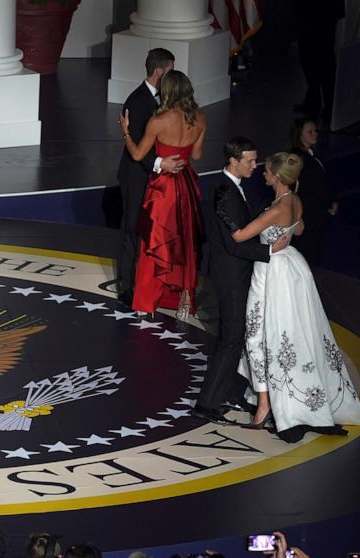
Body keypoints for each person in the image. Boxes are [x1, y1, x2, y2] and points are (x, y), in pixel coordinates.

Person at [230, 152, 360, 442]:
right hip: (292, 268)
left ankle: (268, 404)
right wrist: (285, 234)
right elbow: (302, 228)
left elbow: (240, 237)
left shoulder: (276, 210)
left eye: (267, 171)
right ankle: (270, 399)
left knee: (262, 335)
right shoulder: (294, 201)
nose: (263, 174)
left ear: (277, 177)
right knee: (289, 332)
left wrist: (225, 216)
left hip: (272, 273)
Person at [196, 137, 285, 424]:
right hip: (231, 277)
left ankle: (230, 393)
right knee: (231, 338)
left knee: (236, 336)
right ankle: (207, 403)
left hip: (234, 274)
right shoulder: (225, 192)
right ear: (233, 160)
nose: (254, 165)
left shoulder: (232, 189)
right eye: (249, 160)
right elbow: (234, 244)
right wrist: (270, 250)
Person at [119, 69, 205, 319]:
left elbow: (137, 155)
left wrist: (125, 131)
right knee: (184, 243)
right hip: (186, 185)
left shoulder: (158, 121)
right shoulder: (201, 118)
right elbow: (196, 155)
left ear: (166, 91)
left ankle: (146, 303)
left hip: (163, 189)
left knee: (154, 242)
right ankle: (183, 301)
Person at [115, 48, 185, 307]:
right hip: (137, 176)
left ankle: (149, 283)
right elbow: (136, 148)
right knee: (133, 229)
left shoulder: (163, 100)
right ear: (159, 71)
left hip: (154, 178)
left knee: (148, 232)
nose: (173, 74)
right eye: (170, 69)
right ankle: (127, 288)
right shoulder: (138, 101)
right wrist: (159, 162)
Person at [289, 117, 337, 265]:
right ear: (300, 135)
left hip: (315, 214)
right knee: (307, 255)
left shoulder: (311, 156)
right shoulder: (298, 158)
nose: (314, 134)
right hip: (307, 215)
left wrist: (330, 202)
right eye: (309, 131)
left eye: (315, 131)